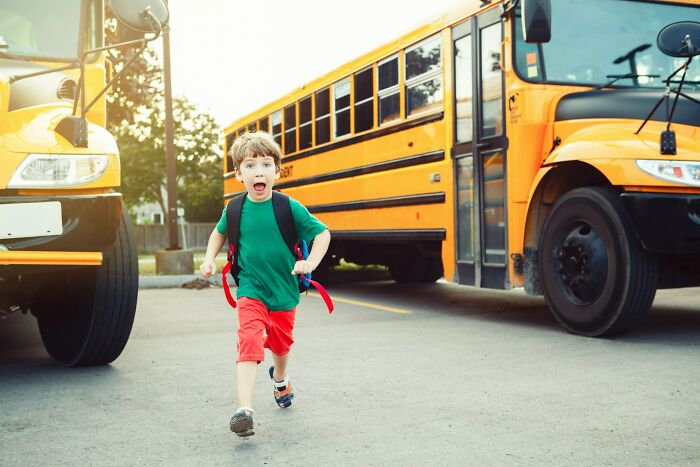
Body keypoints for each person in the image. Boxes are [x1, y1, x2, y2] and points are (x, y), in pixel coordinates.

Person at [199, 131, 331, 437]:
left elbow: (322, 233)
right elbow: (219, 234)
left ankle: (280, 378)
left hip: (284, 290)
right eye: (250, 165)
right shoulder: (234, 209)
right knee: (249, 339)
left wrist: (310, 263)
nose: (258, 171)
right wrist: (209, 259)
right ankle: (244, 410)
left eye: (266, 164)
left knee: (281, 345)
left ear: (277, 171)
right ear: (238, 174)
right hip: (251, 288)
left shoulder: (288, 207)